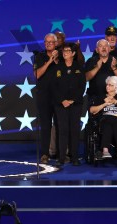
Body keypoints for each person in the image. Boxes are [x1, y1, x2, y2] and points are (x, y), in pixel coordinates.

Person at [52, 42, 86, 166]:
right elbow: (54, 87)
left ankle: (75, 157)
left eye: (67, 50)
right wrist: (63, 100)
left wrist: (72, 100)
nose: (65, 52)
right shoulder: (58, 68)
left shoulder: (79, 67)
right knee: (63, 130)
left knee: (74, 130)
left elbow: (82, 86)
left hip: (76, 104)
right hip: (60, 104)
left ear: (73, 53)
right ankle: (61, 157)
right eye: (64, 50)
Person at [89, 76, 117, 159]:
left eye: (110, 85)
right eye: (107, 85)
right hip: (104, 121)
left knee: (115, 121)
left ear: (116, 87)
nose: (107, 86)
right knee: (108, 121)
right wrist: (104, 104)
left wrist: (116, 102)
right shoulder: (101, 97)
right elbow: (92, 110)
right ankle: (115, 150)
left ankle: (113, 150)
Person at [33, 33, 60, 164]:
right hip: (44, 97)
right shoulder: (39, 56)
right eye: (46, 42)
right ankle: (45, 153)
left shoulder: (62, 56)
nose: (49, 44)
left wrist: (56, 61)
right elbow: (37, 74)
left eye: (51, 42)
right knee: (45, 126)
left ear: (56, 44)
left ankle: (60, 153)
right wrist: (49, 62)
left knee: (60, 125)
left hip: (59, 97)